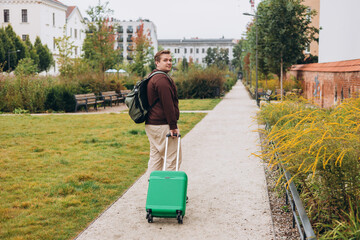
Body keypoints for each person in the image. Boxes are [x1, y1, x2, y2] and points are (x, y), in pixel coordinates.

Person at [145, 50, 181, 172]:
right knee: (172, 160)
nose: (169, 62)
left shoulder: (153, 77)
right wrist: (173, 126)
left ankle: (153, 189)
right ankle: (169, 190)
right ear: (157, 63)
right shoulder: (161, 80)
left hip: (152, 125)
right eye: (165, 60)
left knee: (155, 159)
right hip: (163, 125)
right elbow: (168, 104)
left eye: (170, 60)